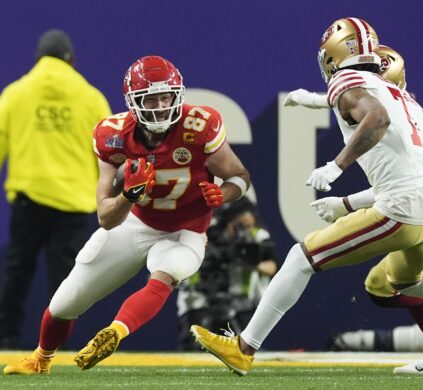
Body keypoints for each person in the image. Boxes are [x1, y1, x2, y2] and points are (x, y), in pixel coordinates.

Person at [190, 17, 423, 376]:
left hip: (401, 208)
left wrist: (336, 166)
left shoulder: (346, 81)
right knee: (404, 282)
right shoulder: (394, 89)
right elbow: (366, 102)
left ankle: (244, 348)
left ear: (334, 56)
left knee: (300, 257)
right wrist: (316, 102)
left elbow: (375, 117)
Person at [3, 55, 250, 375]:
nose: (161, 105)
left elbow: (240, 176)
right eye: (152, 98)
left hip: (186, 230)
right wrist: (128, 195)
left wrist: (225, 193)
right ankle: (41, 358)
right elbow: (106, 217)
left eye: (166, 96)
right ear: (134, 102)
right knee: (65, 301)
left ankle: (115, 332)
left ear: (178, 94)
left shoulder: (199, 126)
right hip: (137, 222)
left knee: (165, 272)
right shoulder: (113, 136)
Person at [285, 45, 423, 374]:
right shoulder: (398, 105)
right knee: (382, 286)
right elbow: (336, 100)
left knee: (386, 285)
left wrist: (344, 202)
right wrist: (304, 97)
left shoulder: (396, 123)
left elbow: (407, 190)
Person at [0, 29, 111, 349]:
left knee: (18, 270)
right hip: (74, 203)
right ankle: (58, 344)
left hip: (29, 197)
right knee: (69, 280)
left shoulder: (15, 93)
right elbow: (108, 150)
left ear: (38, 59)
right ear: (71, 61)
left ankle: (6, 336)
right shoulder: (91, 97)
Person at [177, 196, 277, 350]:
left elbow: (273, 265)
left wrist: (250, 262)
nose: (244, 232)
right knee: (194, 347)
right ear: (226, 223)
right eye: (239, 226)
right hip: (199, 300)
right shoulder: (206, 236)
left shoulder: (258, 237)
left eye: (249, 226)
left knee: (245, 347)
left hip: (242, 304)